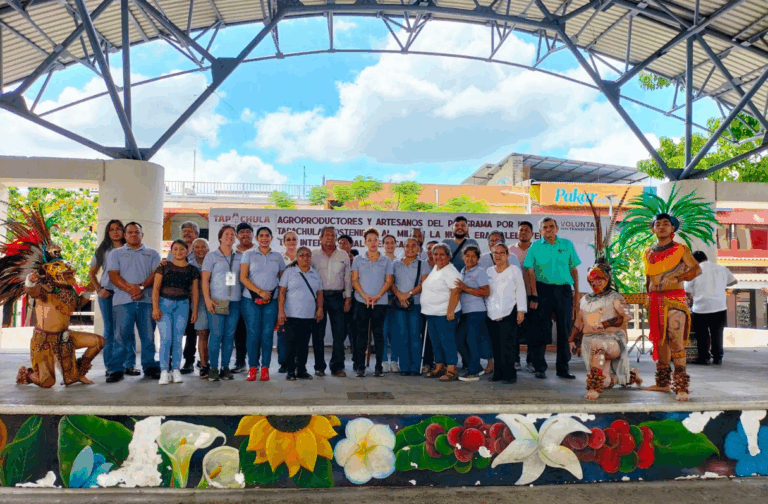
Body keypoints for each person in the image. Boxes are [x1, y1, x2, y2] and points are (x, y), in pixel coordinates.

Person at [3, 204, 104, 388]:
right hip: (43, 341)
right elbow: (32, 292)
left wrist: (89, 291)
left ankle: (77, 371)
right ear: (49, 271)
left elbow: (77, 304)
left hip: (65, 337)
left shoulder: (69, 290)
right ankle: (27, 375)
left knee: (98, 341)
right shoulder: (44, 287)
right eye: (62, 270)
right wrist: (30, 281)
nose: (67, 272)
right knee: (47, 382)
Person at [568, 199, 641, 399]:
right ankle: (629, 377)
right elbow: (579, 322)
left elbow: (625, 317)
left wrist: (606, 323)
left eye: (600, 279)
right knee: (607, 380)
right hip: (589, 342)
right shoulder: (585, 299)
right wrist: (571, 339)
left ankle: (594, 388)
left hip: (611, 341)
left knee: (598, 346)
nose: (595, 282)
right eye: (592, 279)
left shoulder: (615, 297)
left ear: (608, 279)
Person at [643, 214, 701, 400]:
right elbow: (648, 277)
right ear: (653, 229)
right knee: (661, 342)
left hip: (674, 299)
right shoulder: (648, 252)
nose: (661, 227)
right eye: (657, 224)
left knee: (675, 340)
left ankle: (682, 386)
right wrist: (647, 296)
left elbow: (696, 269)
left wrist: (679, 278)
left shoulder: (680, 249)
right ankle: (663, 383)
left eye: (665, 224)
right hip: (654, 300)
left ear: (672, 228)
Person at [524, 217, 581, 380]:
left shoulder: (567, 245)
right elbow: (530, 271)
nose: (548, 230)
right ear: (540, 231)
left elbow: (574, 270)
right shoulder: (535, 247)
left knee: (565, 329)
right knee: (540, 329)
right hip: (543, 290)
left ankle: (563, 368)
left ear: (557, 228)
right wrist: (534, 294)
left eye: (551, 226)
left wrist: (576, 295)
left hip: (564, 290)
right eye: (545, 227)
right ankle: (539, 367)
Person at [106, 222, 161, 382]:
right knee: (121, 337)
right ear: (125, 235)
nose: (133, 235)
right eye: (130, 232)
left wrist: (141, 287)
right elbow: (113, 275)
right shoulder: (116, 253)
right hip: (122, 302)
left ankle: (149, 366)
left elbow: (156, 274)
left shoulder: (153, 253)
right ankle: (116, 369)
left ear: (142, 234)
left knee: (148, 336)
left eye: (137, 232)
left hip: (147, 302)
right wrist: (131, 290)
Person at [240, 226, 285, 382]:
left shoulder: (278, 256)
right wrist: (260, 292)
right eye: (261, 236)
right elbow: (243, 277)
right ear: (257, 238)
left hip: (271, 300)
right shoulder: (248, 254)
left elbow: (283, 280)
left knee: (267, 334)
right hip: (250, 300)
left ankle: (265, 368)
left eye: (267, 235)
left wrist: (273, 297)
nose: (264, 238)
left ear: (271, 238)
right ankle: (253, 368)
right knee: (253, 334)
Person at [152, 240, 200, 385]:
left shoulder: (192, 270)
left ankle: (176, 370)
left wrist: (195, 310)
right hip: (164, 304)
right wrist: (155, 308)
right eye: (176, 249)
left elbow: (195, 292)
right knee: (166, 339)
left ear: (187, 251)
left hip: (183, 305)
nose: (179, 252)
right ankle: (164, 371)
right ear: (171, 251)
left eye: (182, 249)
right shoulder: (163, 266)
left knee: (178, 339)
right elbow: (155, 289)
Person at [351, 227, 394, 377]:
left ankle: (378, 367)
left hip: (380, 302)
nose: (373, 242)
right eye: (369, 240)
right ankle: (360, 366)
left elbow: (388, 281)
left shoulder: (386, 260)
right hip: (361, 302)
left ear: (379, 242)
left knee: (378, 334)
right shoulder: (358, 259)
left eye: (375, 240)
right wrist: (364, 296)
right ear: (365, 242)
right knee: (361, 334)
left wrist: (377, 296)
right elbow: (354, 280)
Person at [202, 225, 242, 382]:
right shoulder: (212, 256)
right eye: (227, 234)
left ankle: (225, 367)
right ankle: (213, 368)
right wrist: (207, 299)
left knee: (229, 336)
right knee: (216, 335)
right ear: (220, 237)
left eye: (232, 234)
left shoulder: (239, 257)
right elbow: (205, 280)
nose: (230, 236)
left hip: (235, 301)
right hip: (217, 301)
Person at [311, 226, 353, 377]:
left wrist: (348, 298)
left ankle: (337, 366)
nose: (329, 237)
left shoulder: (343, 255)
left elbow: (347, 278)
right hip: (319, 298)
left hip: (338, 297)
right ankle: (319, 367)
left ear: (336, 238)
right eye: (326, 235)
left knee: (339, 333)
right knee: (318, 334)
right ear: (320, 238)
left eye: (332, 235)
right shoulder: (313, 255)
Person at [278, 246, 324, 380]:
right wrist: (281, 311)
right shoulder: (289, 272)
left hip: (309, 315)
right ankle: (290, 371)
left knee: (304, 345)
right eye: (302, 255)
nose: (305, 258)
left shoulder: (315, 273)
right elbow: (282, 292)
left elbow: (319, 293)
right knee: (291, 344)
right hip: (291, 315)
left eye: (308, 255)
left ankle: (302, 370)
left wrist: (320, 308)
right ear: (297, 258)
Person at [685, 251, 737, 365]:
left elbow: (687, 290)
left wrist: (691, 299)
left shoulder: (694, 271)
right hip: (719, 307)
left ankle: (704, 358)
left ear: (694, 260)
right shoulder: (721, 268)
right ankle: (718, 357)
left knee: (702, 334)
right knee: (717, 333)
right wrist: (721, 285)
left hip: (700, 308)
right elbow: (734, 281)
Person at [420, 243, 462, 382]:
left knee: (447, 341)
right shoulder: (436, 268)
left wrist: (450, 311)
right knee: (436, 341)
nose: (438, 257)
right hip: (432, 313)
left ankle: (451, 369)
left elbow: (456, 290)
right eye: (436, 254)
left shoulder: (450, 271)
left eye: (442, 254)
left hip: (445, 313)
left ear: (449, 256)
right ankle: (439, 367)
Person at [485, 244, 526, 384]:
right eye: (495, 253)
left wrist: (521, 310)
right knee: (495, 345)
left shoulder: (514, 270)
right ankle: (498, 373)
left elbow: (520, 290)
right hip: (492, 313)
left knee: (508, 345)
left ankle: (510, 375)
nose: (498, 256)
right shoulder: (489, 271)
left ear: (507, 255)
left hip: (509, 311)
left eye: (501, 253)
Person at [88, 219, 125, 372]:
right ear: (108, 233)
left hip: (125, 294)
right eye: (112, 229)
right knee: (110, 329)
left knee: (124, 329)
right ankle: (110, 365)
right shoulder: (103, 250)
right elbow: (91, 273)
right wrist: (99, 289)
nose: (115, 232)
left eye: (118, 228)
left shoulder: (129, 248)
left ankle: (126, 364)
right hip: (107, 293)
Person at [391, 237, 431, 376]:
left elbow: (423, 283)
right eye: (407, 245)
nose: (410, 248)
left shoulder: (423, 264)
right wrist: (399, 295)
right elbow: (391, 282)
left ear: (418, 249)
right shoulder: (395, 264)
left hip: (416, 304)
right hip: (399, 304)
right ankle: (404, 367)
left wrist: (408, 294)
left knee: (414, 335)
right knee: (402, 335)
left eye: (413, 246)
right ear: (403, 247)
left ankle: (415, 367)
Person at [165, 221, 199, 374]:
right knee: (173, 331)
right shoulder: (174, 251)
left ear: (196, 234)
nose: (186, 234)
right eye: (184, 231)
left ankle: (189, 361)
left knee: (191, 331)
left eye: (190, 231)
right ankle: (170, 360)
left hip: (194, 298)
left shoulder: (200, 250)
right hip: (175, 298)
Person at [455, 246, 490, 381]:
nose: (470, 258)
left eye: (473, 256)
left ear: (478, 259)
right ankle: (476, 367)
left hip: (476, 311)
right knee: (459, 339)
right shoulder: (462, 271)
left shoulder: (480, 272)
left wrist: (466, 288)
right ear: (463, 257)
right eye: (467, 256)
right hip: (464, 311)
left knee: (472, 340)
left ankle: (473, 371)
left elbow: (486, 291)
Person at [510, 221, 535, 374]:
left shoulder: (537, 249)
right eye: (521, 230)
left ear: (532, 234)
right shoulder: (509, 250)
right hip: (514, 296)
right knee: (514, 329)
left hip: (533, 294)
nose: (523, 232)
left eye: (526, 230)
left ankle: (531, 361)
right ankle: (515, 359)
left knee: (532, 329)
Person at [232, 222, 255, 374]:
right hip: (236, 298)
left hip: (254, 298)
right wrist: (229, 292)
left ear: (253, 235)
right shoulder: (232, 253)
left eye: (248, 231)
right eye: (242, 232)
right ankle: (240, 362)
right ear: (237, 235)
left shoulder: (258, 252)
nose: (245, 234)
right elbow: (229, 273)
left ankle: (255, 363)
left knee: (254, 331)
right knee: (239, 331)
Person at [276, 231, 299, 373]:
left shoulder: (303, 257)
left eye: (294, 239)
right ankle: (283, 362)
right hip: (283, 299)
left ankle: (296, 361)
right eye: (288, 239)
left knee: (297, 332)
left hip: (300, 300)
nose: (291, 242)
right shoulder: (279, 258)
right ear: (284, 242)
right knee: (283, 332)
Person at [190, 238, 211, 378]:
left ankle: (213, 363)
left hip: (215, 300)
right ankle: (203, 364)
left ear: (208, 249)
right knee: (202, 333)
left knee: (215, 335)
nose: (200, 250)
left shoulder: (214, 261)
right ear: (192, 250)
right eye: (197, 247)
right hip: (198, 303)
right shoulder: (189, 264)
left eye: (204, 247)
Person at [382, 234, 399, 372]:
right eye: (387, 243)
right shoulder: (380, 261)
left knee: (395, 332)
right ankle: (383, 360)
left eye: (392, 242)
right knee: (382, 331)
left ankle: (394, 360)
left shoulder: (399, 262)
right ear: (383, 245)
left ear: (396, 244)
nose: (389, 245)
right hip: (382, 301)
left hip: (396, 301)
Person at [421, 240, 439, 372]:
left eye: (433, 249)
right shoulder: (422, 264)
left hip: (440, 305)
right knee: (426, 335)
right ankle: (427, 362)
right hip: (425, 304)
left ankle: (440, 362)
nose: (430, 251)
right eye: (428, 248)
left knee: (438, 335)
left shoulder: (443, 265)